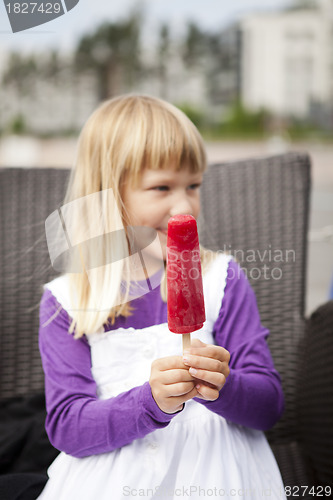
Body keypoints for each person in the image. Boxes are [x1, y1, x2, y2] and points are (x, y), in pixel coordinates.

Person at [37, 95, 286, 500]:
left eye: (193, 185)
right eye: (161, 187)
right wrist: (149, 401)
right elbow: (67, 426)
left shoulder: (222, 277)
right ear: (107, 197)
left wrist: (225, 386)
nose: (185, 205)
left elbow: (269, 407)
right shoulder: (66, 301)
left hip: (219, 476)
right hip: (110, 481)